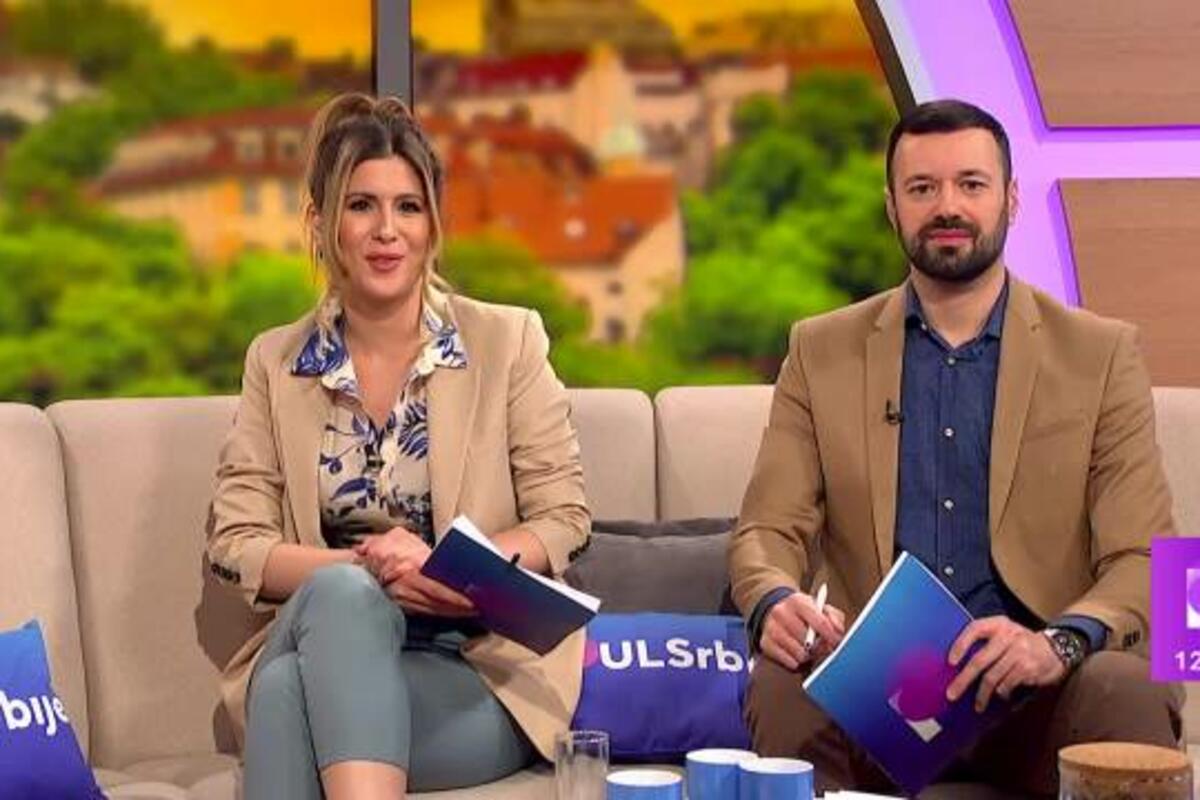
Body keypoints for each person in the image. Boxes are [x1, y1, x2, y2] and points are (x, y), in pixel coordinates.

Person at [728, 99, 1181, 795]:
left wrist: (1056, 643)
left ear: (1011, 199)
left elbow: (1153, 559)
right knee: (782, 681)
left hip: (1043, 687)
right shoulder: (820, 350)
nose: (948, 206)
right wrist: (774, 600)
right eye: (922, 188)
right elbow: (765, 530)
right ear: (892, 208)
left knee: (1129, 685)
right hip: (880, 697)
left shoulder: (1102, 353)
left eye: (971, 184)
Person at [205, 93, 590, 800]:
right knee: (344, 595)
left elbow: (563, 520)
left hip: (475, 668)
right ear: (322, 223)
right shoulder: (275, 362)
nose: (387, 231)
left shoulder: (507, 341)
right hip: (322, 632)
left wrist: (449, 570)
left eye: (408, 207)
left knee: (286, 697)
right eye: (361, 206)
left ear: (433, 224)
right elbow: (236, 544)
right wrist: (371, 568)